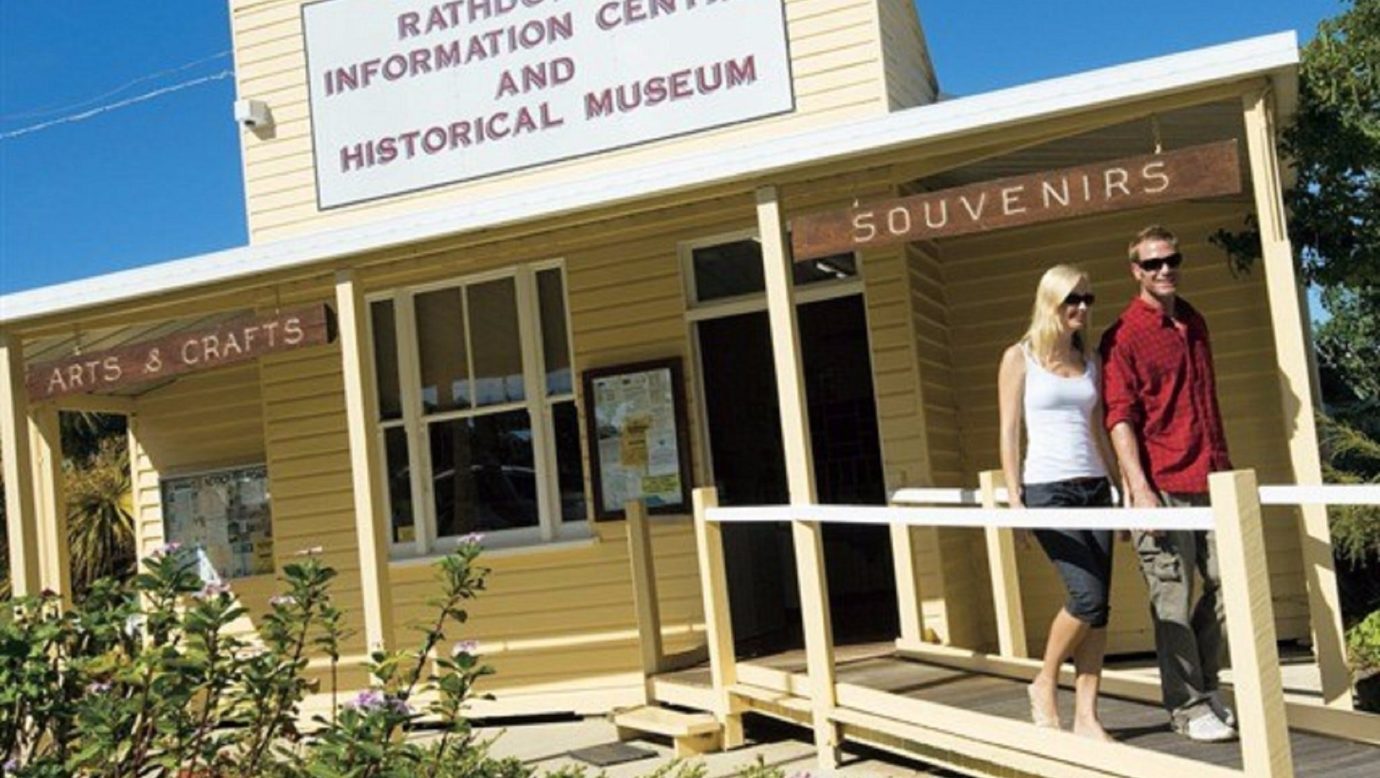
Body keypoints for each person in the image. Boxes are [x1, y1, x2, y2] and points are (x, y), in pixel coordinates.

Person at [1100, 225, 1236, 743]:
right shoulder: (1124, 336)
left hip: (1214, 476)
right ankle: (1186, 705)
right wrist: (1138, 488)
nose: (1164, 270)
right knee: (1172, 599)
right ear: (1135, 270)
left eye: (1171, 260)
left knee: (1229, 586)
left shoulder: (1195, 322)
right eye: (1152, 263)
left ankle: (1207, 684)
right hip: (1163, 483)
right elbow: (1119, 417)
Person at [998, 264, 1118, 740]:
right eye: (1073, 299)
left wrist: (1119, 487)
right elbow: (1008, 432)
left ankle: (1087, 716)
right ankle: (1045, 679)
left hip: (1095, 487)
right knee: (1085, 596)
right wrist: (1015, 501)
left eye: (1088, 299)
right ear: (1051, 300)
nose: (1083, 308)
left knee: (1101, 607)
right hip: (1048, 490)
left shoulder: (1090, 360)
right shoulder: (1018, 357)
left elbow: (1098, 429)